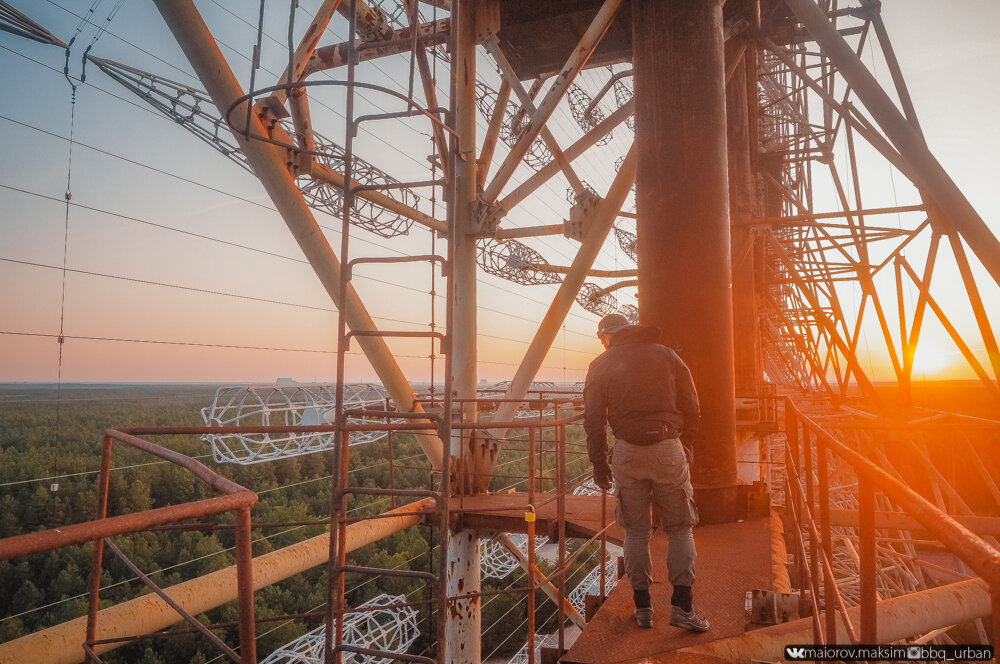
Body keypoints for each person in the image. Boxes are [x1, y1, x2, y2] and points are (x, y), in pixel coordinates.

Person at [584, 313, 709, 632]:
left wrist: (599, 464)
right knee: (680, 529)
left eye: (602, 339)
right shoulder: (667, 355)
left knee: (636, 531)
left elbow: (593, 421)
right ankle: (682, 607)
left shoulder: (600, 365)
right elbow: (692, 406)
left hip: (626, 451)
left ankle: (643, 609)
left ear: (607, 336)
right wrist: (687, 444)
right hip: (668, 447)